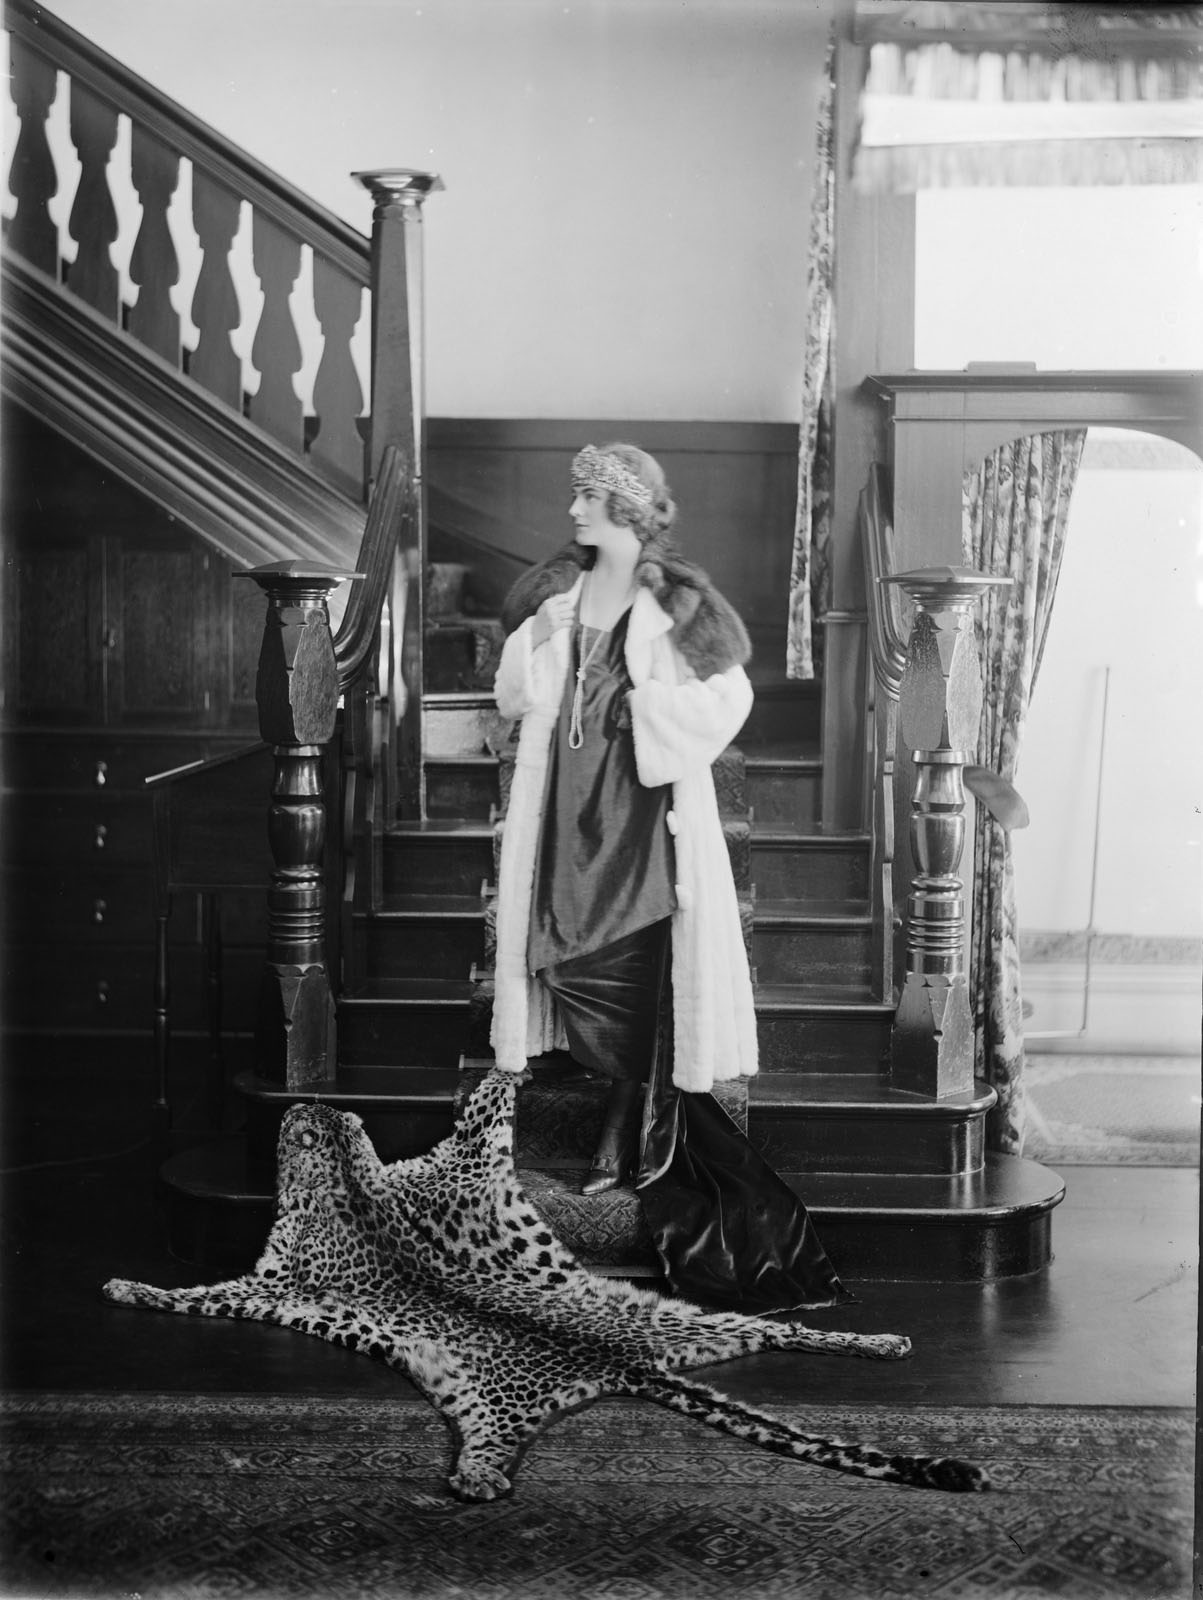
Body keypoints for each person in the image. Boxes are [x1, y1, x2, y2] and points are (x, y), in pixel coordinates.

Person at [490, 442, 847, 1313]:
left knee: (637, 964)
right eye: (575, 497)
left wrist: (643, 710)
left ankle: (623, 1128)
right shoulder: (551, 594)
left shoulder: (679, 600)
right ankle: (606, 1111)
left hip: (641, 814)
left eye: (586, 498)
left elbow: (729, 699)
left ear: (625, 509)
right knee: (563, 959)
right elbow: (513, 697)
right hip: (564, 811)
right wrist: (539, 641)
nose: (572, 511)